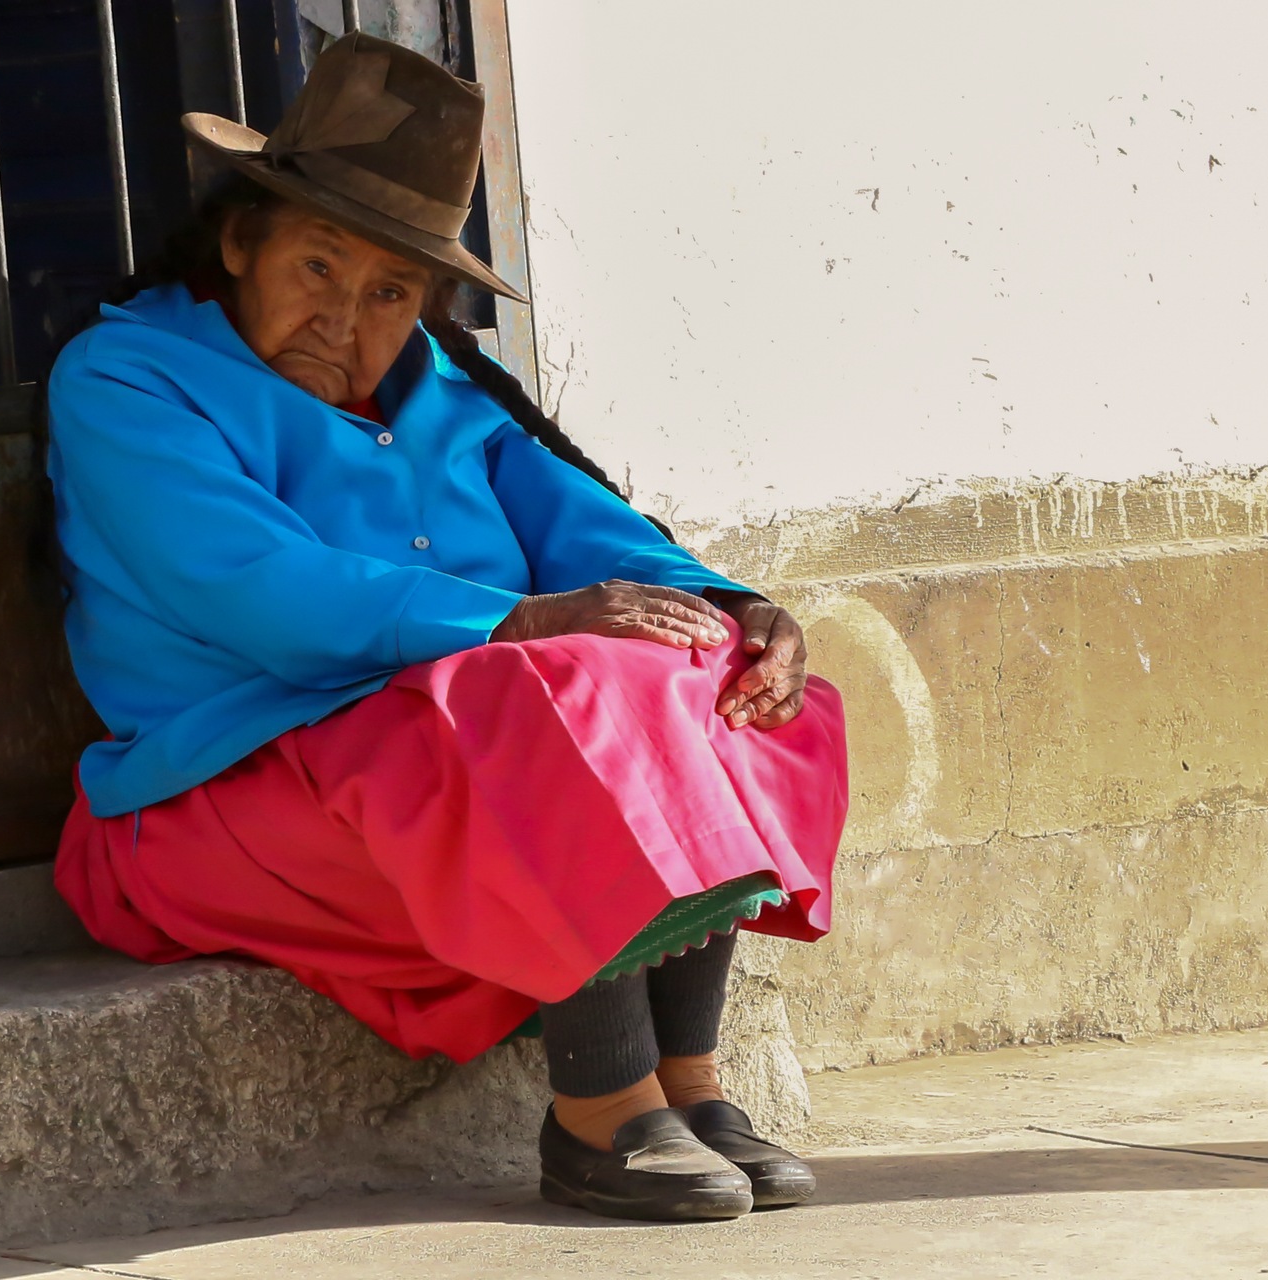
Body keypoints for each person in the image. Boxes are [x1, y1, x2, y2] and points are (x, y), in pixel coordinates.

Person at [46, 33, 849, 1222]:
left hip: (424, 772)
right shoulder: (128, 378)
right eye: (318, 266)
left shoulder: (442, 386)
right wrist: (519, 618)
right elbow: (257, 586)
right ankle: (602, 1109)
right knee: (540, 693)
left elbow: (590, 530)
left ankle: (687, 1081)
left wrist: (739, 611)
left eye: (388, 293)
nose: (345, 318)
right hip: (224, 796)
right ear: (239, 242)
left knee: (699, 661)